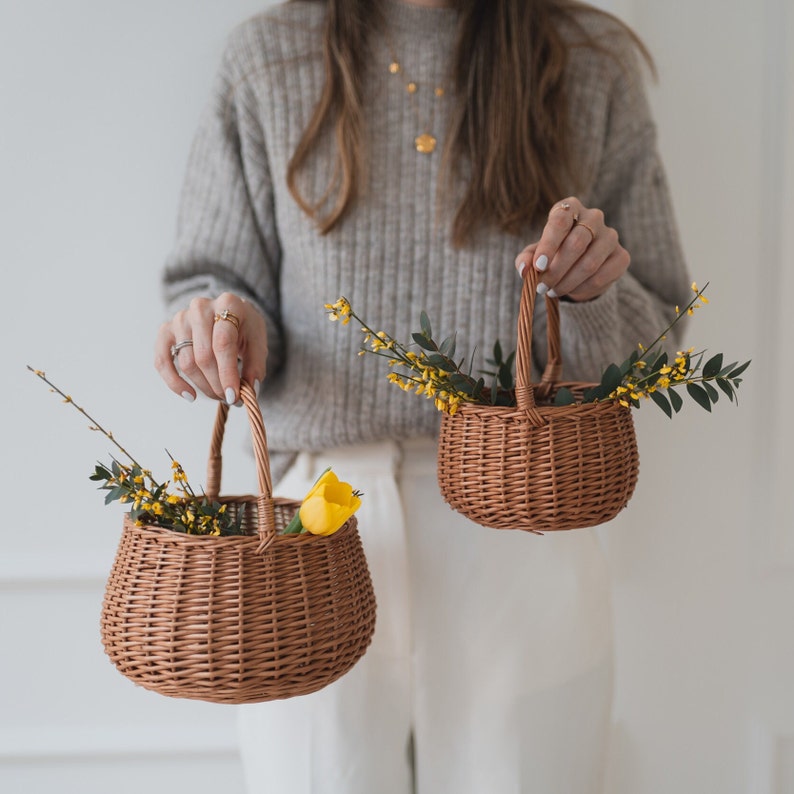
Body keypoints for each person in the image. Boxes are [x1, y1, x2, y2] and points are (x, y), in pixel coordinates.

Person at [154, 0, 690, 791]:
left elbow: (661, 336)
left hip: (523, 524)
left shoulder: (587, 59)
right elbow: (218, 280)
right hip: (313, 530)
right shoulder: (267, 60)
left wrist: (591, 296)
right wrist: (223, 324)